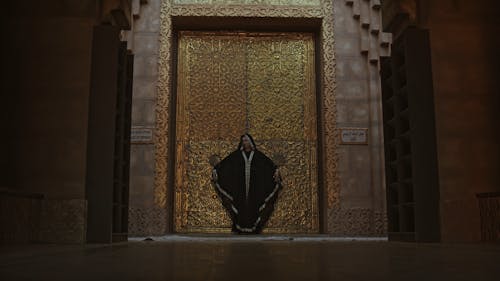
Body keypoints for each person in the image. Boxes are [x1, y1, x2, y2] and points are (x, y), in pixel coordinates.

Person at [211, 134, 282, 234]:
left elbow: (268, 165)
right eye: (243, 141)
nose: (245, 143)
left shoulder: (257, 155)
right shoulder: (237, 155)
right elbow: (226, 165)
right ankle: (240, 227)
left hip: (254, 189)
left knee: (254, 206)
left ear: (251, 142)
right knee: (240, 207)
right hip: (240, 189)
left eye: (247, 141)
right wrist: (216, 171)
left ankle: (254, 227)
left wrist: (275, 171)